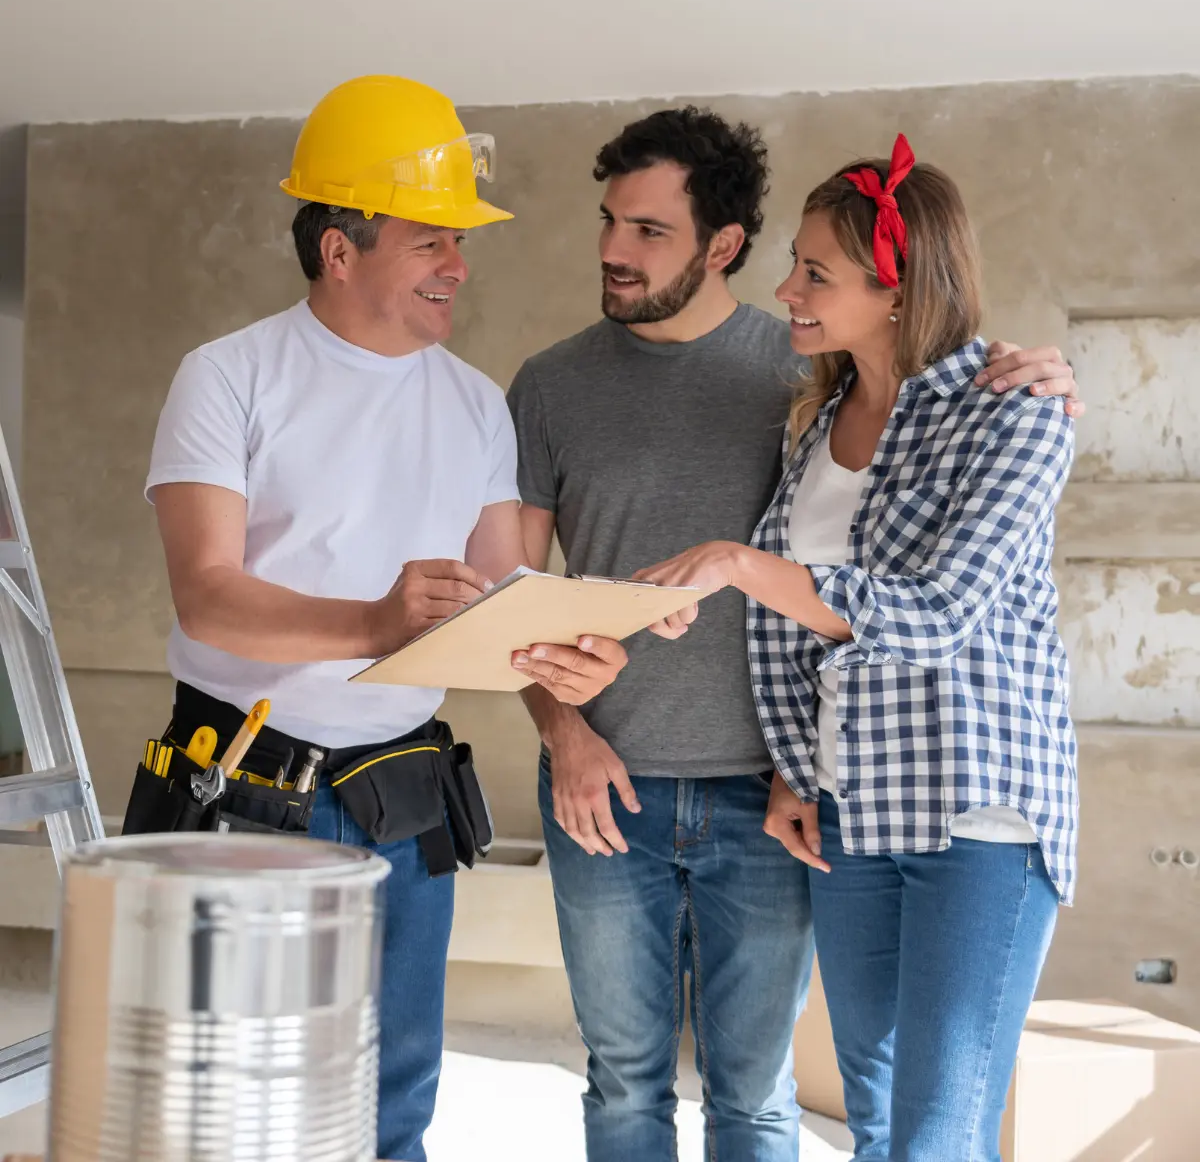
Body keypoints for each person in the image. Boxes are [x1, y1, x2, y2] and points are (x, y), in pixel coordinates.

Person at [507, 109, 1082, 1161]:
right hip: (833, 811)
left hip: (971, 806)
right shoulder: (817, 413)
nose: (791, 293)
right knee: (849, 1116)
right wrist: (789, 764)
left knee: (903, 1127)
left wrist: (733, 564)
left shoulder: (969, 401)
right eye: (609, 223)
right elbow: (787, 641)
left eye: (816, 273)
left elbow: (937, 609)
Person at [143, 74, 630, 1162]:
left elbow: (505, 592)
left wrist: (572, 652)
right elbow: (206, 592)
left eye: (458, 240)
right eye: (429, 240)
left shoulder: (469, 403)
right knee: (224, 1115)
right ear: (340, 250)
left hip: (398, 798)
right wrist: (374, 625)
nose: (458, 265)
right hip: (243, 795)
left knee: (392, 1105)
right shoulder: (229, 379)